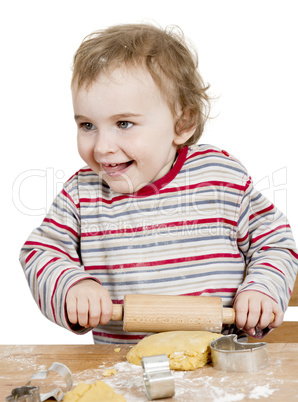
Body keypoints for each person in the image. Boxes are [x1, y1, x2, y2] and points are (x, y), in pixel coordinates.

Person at [20, 23, 298, 344]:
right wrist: (73, 286)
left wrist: (262, 289)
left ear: (182, 123)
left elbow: (274, 242)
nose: (101, 147)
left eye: (124, 124)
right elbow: (40, 252)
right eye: (87, 125)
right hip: (125, 373)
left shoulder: (220, 177)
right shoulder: (82, 195)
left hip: (223, 366)